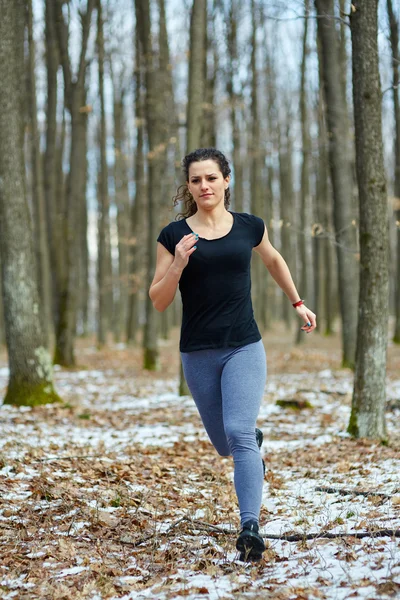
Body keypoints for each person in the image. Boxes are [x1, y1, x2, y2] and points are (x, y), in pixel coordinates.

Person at [149, 148, 316, 561]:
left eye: (211, 178)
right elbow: (158, 301)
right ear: (188, 186)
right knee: (226, 444)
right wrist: (178, 266)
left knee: (239, 434)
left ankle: (250, 527)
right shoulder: (174, 236)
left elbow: (274, 259)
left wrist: (297, 303)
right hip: (198, 352)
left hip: (244, 345)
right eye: (195, 180)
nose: (204, 186)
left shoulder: (249, 227)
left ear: (226, 180)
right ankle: (250, 448)